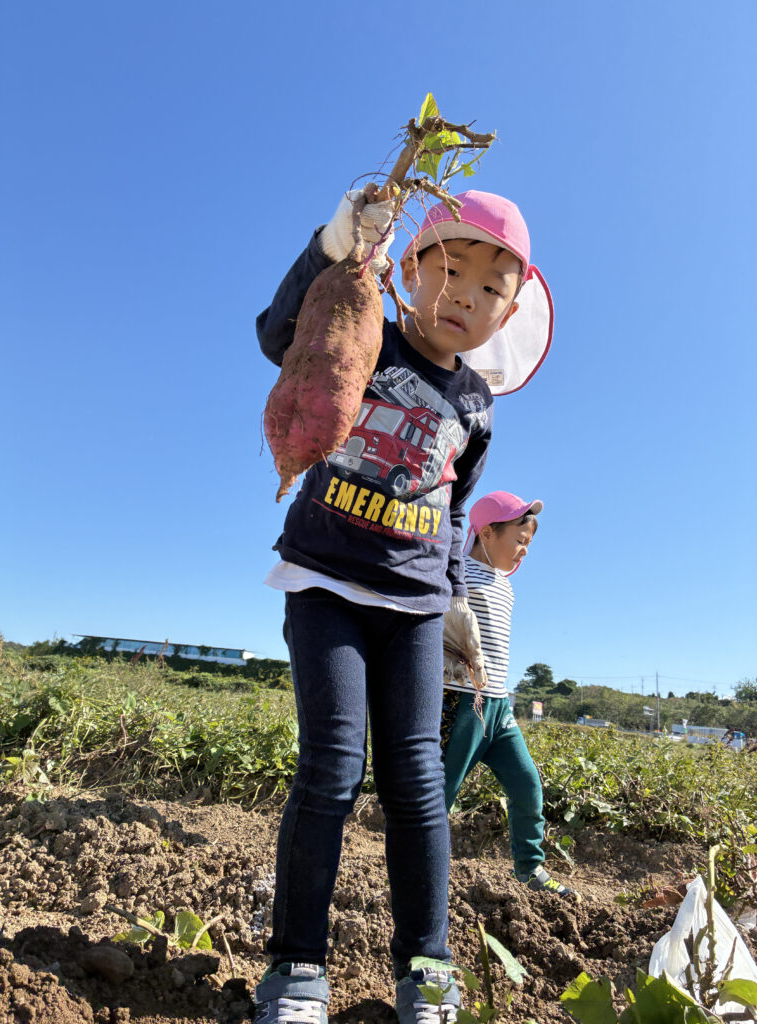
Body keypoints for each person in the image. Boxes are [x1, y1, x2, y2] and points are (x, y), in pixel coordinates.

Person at [254, 190, 552, 1024]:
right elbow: (280, 336)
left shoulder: (477, 407)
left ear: (511, 310)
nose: (466, 294)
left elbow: (456, 510)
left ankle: (427, 965)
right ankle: (297, 970)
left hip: (418, 608)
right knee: (333, 766)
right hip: (327, 582)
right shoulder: (368, 335)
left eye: (492, 286)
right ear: (411, 271)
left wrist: (455, 596)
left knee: (419, 783)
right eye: (450, 270)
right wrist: (334, 246)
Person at [442, 491, 579, 900]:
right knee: (440, 793)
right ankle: (419, 871)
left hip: (498, 705)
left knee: (527, 785)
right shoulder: (455, 571)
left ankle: (530, 868)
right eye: (519, 539)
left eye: (529, 544)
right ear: (486, 532)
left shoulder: (506, 586)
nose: (524, 550)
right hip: (459, 700)